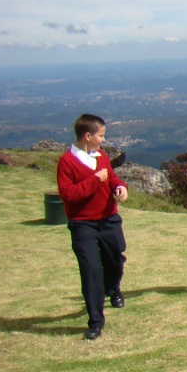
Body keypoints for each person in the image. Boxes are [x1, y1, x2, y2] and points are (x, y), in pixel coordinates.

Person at [57, 113, 129, 340]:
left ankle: (113, 288)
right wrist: (95, 180)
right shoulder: (66, 162)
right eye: (101, 136)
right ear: (88, 136)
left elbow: (112, 178)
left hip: (108, 219)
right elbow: (68, 195)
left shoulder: (102, 156)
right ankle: (95, 321)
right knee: (91, 270)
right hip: (82, 224)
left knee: (116, 258)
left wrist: (120, 187)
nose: (103, 140)